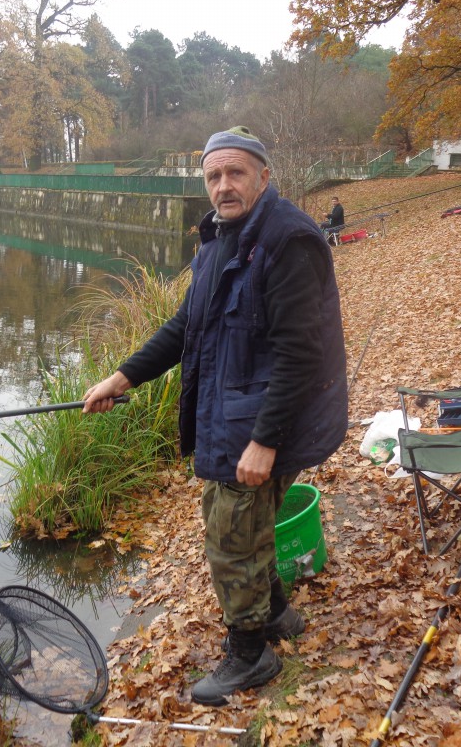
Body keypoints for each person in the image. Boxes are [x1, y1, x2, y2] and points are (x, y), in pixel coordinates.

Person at [83, 126, 348, 706]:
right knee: (249, 525)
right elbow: (186, 325)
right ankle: (276, 615)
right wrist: (121, 377)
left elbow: (301, 354)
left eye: (235, 173)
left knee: (230, 536)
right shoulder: (219, 240)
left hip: (263, 421)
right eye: (213, 176)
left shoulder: (288, 241)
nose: (223, 186)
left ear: (263, 177)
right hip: (233, 414)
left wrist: (265, 441)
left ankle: (250, 655)